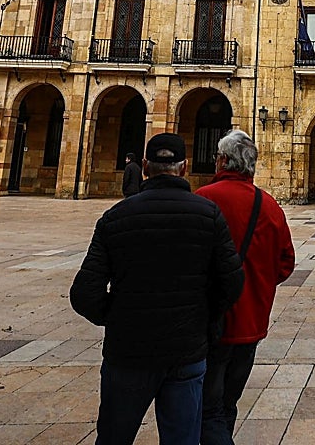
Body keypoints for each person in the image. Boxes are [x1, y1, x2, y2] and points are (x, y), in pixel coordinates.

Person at [70, 133, 244, 445]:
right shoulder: (207, 214)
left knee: (114, 437)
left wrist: (120, 317)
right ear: (185, 167)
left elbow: (84, 293)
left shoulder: (115, 218)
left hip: (128, 353)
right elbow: (232, 282)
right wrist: (202, 316)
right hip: (186, 350)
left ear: (145, 166)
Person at [196, 129, 295, 445]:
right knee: (226, 404)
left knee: (207, 410)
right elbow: (285, 264)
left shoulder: (203, 200)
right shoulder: (270, 206)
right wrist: (258, 283)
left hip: (207, 324)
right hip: (250, 324)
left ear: (222, 160)